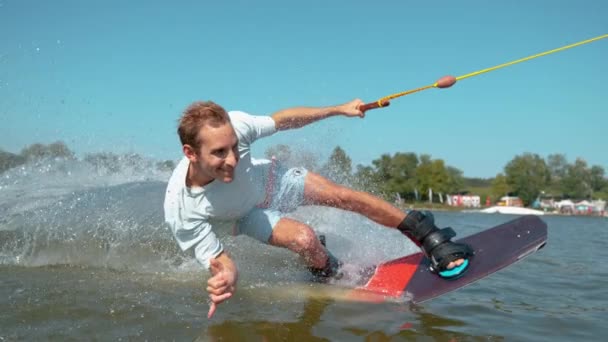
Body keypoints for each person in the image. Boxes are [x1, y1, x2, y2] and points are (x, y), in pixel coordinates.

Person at [163, 99, 473, 318]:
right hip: (245, 216)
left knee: (343, 196)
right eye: (219, 153)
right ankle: (329, 270)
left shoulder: (234, 126)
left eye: (234, 147)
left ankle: (430, 236)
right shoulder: (182, 208)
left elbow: (283, 120)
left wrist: (338, 110)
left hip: (270, 180)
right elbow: (220, 260)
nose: (232, 159)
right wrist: (228, 276)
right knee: (305, 240)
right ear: (190, 153)